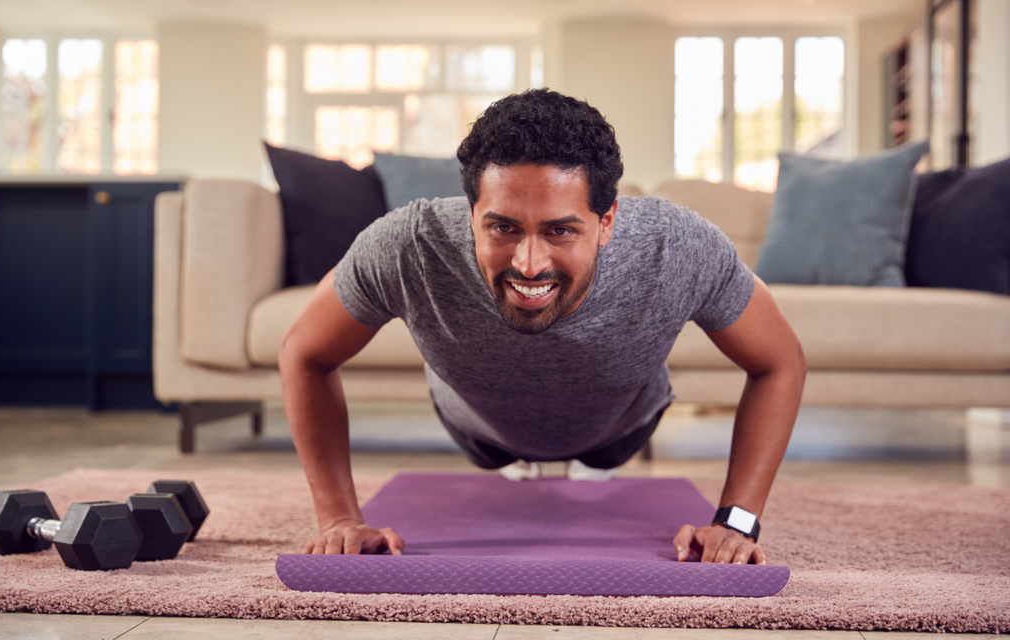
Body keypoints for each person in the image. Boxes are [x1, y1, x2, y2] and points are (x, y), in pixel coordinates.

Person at [280, 88, 806, 566]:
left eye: (560, 231)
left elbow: (779, 361)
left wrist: (736, 523)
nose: (529, 264)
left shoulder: (678, 246)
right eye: (503, 227)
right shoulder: (407, 244)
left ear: (607, 222)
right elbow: (304, 352)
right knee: (495, 446)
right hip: (480, 434)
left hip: (617, 432)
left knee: (602, 451)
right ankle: (525, 459)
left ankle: (578, 463)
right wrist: (338, 519)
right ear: (471, 214)